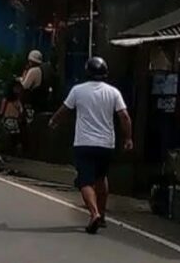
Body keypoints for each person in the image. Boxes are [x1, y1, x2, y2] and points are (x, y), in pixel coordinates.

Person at [49, 56, 133, 234]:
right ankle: (102, 215)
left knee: (85, 180)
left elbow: (64, 110)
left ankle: (94, 214)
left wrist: (53, 121)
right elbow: (124, 116)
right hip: (106, 144)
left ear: (87, 72)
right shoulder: (113, 92)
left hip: (84, 143)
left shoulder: (78, 90)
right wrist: (128, 138)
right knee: (101, 178)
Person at [19, 49, 52, 117]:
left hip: (33, 101)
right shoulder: (42, 69)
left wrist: (21, 78)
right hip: (41, 100)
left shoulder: (33, 71)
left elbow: (25, 86)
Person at [0, 81, 24, 155]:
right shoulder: (17, 101)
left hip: (7, 121)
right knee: (14, 139)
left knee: (7, 139)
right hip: (14, 122)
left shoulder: (6, 100)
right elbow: (21, 111)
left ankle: (6, 151)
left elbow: (1, 111)